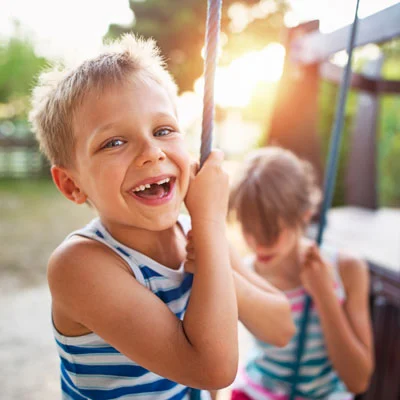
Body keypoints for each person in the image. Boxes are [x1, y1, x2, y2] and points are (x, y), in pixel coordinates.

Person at [29, 34, 294, 400]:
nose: (152, 152)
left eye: (163, 130)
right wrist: (212, 227)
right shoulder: (79, 265)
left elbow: (281, 327)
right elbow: (212, 369)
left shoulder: (196, 235)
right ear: (72, 185)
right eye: (114, 142)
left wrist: (215, 263)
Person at [228, 147, 374, 400]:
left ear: (304, 215)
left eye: (272, 230)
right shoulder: (245, 275)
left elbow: (358, 381)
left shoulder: (346, 268)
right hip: (257, 392)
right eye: (249, 229)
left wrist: (324, 295)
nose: (259, 243)